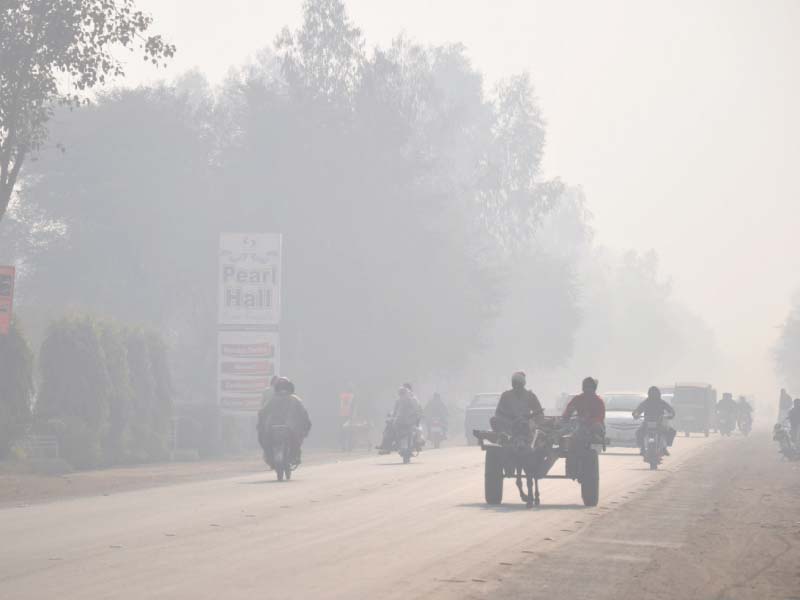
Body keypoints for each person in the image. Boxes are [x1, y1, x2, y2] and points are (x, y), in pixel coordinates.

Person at [257, 377, 312, 466]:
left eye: (285, 387)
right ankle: (286, 457)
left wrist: (306, 425)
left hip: (286, 427)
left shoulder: (276, 399)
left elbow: (263, 412)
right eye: (282, 388)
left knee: (296, 440)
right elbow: (263, 413)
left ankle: (293, 457)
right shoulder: (294, 399)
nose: (283, 391)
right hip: (282, 427)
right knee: (265, 439)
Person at [562, 377, 606, 477]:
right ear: (583, 388)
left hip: (593, 425)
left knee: (596, 427)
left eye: (590, 387)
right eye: (586, 387)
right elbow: (567, 412)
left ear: (594, 388)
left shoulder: (598, 401)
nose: (588, 389)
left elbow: (600, 417)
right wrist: (567, 414)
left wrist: (589, 421)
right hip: (579, 425)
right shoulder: (578, 399)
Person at [491, 371, 544, 442]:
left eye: (518, 384)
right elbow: (498, 413)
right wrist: (507, 419)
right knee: (493, 420)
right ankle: (504, 436)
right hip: (510, 424)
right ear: (512, 384)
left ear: (523, 384)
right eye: (515, 383)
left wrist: (534, 422)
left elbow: (539, 413)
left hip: (525, 424)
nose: (516, 386)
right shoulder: (506, 395)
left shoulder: (530, 396)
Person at [377, 386, 423, 454]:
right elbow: (395, 412)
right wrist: (392, 418)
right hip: (402, 422)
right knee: (390, 431)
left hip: (407, 422)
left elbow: (418, 410)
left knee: (418, 431)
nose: (402, 395)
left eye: (403, 393)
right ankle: (387, 447)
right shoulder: (401, 401)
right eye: (401, 393)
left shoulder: (412, 400)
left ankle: (387, 447)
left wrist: (418, 416)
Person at [633, 386, 676, 456]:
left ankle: (664, 447)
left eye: (655, 393)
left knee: (671, 431)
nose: (654, 395)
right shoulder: (646, 402)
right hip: (647, 423)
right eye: (652, 393)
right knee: (639, 432)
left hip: (659, 423)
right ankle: (642, 448)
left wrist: (671, 414)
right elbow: (638, 410)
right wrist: (636, 414)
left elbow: (670, 410)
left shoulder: (661, 402)